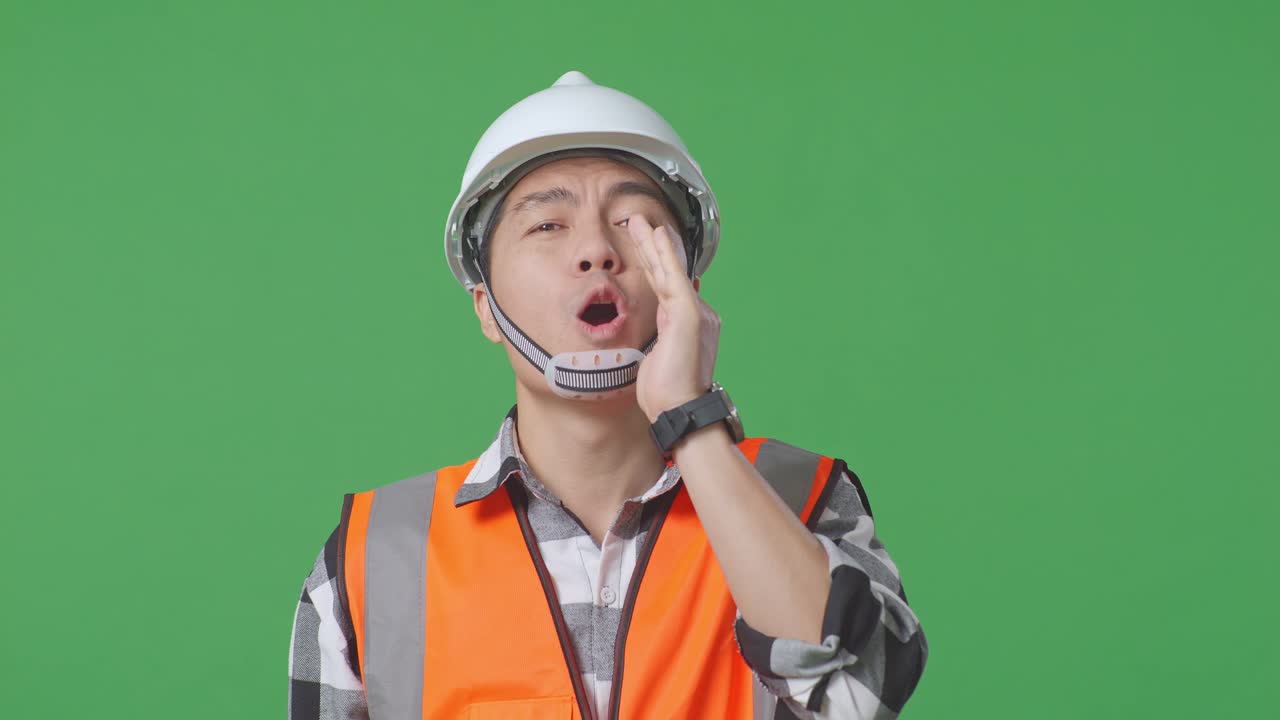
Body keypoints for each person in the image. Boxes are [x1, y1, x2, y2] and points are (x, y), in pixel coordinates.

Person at [288, 70, 928, 719]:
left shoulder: (802, 499)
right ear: (485, 307)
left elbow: (860, 694)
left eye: (633, 221)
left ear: (688, 285)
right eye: (547, 226)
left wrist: (693, 420)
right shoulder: (373, 555)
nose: (596, 249)